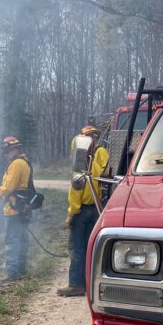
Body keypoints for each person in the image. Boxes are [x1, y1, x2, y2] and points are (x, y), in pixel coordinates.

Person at [57, 125, 109, 297]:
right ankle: (89, 283)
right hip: (95, 208)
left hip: (82, 211)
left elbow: (76, 191)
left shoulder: (82, 163)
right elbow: (105, 173)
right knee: (89, 247)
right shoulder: (98, 156)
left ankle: (76, 284)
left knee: (77, 248)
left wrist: (71, 214)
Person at [0, 136, 32, 280]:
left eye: (7, 151)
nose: (5, 155)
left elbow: (8, 188)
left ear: (15, 149)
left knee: (12, 241)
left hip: (13, 208)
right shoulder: (24, 162)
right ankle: (21, 269)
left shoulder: (16, 164)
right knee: (22, 239)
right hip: (22, 207)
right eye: (4, 152)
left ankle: (12, 273)